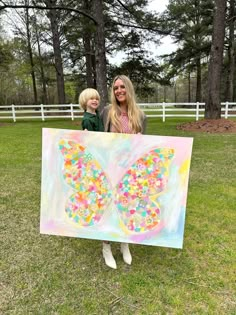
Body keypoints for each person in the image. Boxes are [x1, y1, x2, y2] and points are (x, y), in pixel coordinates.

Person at [101, 75, 146, 269]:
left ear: (128, 89)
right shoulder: (107, 112)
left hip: (131, 170)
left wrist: (141, 139)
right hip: (111, 167)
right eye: (115, 87)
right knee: (109, 207)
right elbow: (96, 137)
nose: (119, 90)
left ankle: (124, 243)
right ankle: (106, 246)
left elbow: (144, 147)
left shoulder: (140, 115)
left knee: (127, 207)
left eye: (122, 87)